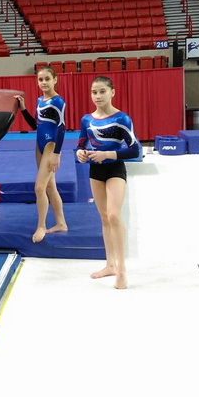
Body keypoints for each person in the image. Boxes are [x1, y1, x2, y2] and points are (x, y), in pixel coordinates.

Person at [75, 76, 139, 290]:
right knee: (104, 218)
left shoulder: (122, 118)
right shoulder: (87, 119)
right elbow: (81, 143)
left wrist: (107, 154)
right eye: (94, 92)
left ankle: (122, 270)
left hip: (114, 169)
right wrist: (80, 153)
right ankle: (110, 265)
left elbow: (134, 149)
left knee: (113, 215)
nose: (98, 96)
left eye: (102, 91)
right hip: (95, 170)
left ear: (112, 92)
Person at [15, 66, 68, 243]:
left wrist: (57, 154)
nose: (43, 82)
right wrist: (23, 109)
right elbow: (35, 126)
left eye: (47, 79)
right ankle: (61, 223)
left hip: (51, 146)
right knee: (50, 186)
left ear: (55, 80)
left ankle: (41, 226)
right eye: (40, 79)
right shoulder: (40, 100)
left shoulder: (58, 102)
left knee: (39, 188)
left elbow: (61, 128)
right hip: (39, 144)